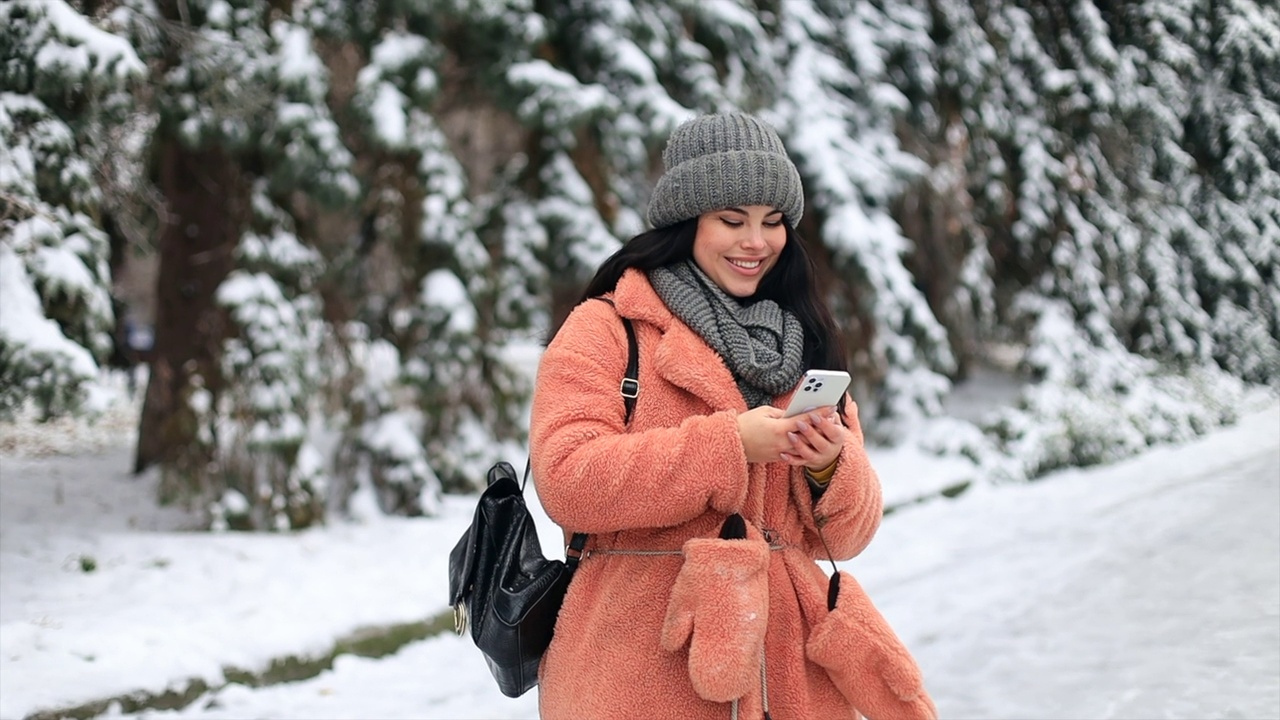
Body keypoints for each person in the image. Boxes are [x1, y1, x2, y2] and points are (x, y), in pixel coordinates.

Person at [530, 112, 935, 719]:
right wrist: (728, 446)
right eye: (732, 220)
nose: (756, 242)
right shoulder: (608, 327)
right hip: (641, 678)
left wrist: (830, 465)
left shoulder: (806, 342)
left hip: (793, 683)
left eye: (773, 222)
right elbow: (567, 480)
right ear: (686, 222)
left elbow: (849, 538)